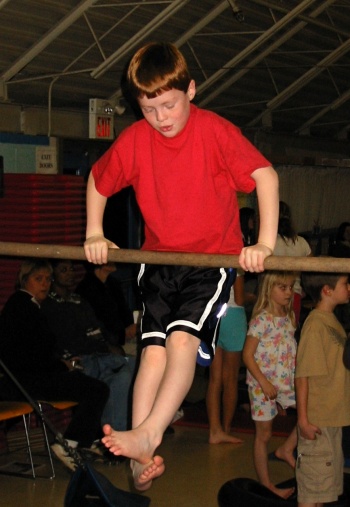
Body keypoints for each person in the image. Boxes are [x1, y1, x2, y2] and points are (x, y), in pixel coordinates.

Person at [83, 41, 279, 491]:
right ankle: (140, 460)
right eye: (148, 110)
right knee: (150, 352)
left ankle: (150, 433)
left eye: (169, 105)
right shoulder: (135, 139)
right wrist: (95, 231)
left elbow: (265, 176)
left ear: (191, 90)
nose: (161, 118)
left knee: (181, 342)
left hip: (209, 263)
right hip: (159, 261)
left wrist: (263, 244)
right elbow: (98, 178)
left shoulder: (214, 131)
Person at [0, 259, 109, 472]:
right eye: (38, 279)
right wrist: (62, 366)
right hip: (26, 381)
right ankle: (70, 443)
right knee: (96, 388)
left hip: (29, 376)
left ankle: (84, 442)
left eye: (48, 279)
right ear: (24, 280)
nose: (45, 284)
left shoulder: (24, 305)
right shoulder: (24, 307)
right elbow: (34, 356)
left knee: (84, 383)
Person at [41, 259, 134, 433]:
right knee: (123, 375)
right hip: (82, 359)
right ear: (53, 277)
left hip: (100, 353)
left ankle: (121, 432)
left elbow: (99, 327)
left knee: (136, 368)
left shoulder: (78, 299)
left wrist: (110, 343)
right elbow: (67, 340)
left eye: (71, 269)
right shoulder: (49, 305)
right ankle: (112, 436)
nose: (70, 273)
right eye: (64, 270)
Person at [295, 272, 350, 507]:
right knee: (312, 492)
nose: (349, 288)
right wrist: (304, 420)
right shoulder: (316, 324)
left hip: (331, 417)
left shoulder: (331, 320)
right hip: (318, 421)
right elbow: (303, 375)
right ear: (327, 290)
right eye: (345, 284)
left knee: (324, 491)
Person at [242, 270, 298, 499]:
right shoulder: (262, 319)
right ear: (269, 289)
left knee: (311, 414)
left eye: (291, 287)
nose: (288, 292)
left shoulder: (289, 315)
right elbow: (247, 355)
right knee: (263, 435)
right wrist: (263, 382)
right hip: (262, 385)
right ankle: (266, 484)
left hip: (285, 382)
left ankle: (286, 448)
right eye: (282, 288)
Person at [206, 269, 247, 444]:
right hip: (233, 316)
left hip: (211, 315)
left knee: (214, 379)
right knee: (230, 378)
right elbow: (239, 298)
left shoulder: (208, 258)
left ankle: (214, 430)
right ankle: (226, 428)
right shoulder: (235, 262)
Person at [75, 261, 138, 353]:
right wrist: (121, 334)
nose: (113, 261)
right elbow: (95, 322)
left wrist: (130, 327)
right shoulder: (87, 289)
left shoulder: (113, 283)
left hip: (122, 337)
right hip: (107, 342)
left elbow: (124, 310)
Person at [273, 201, 311, 325]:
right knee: (290, 333)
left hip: (271, 294)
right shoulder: (302, 242)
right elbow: (311, 270)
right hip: (295, 293)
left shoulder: (268, 244)